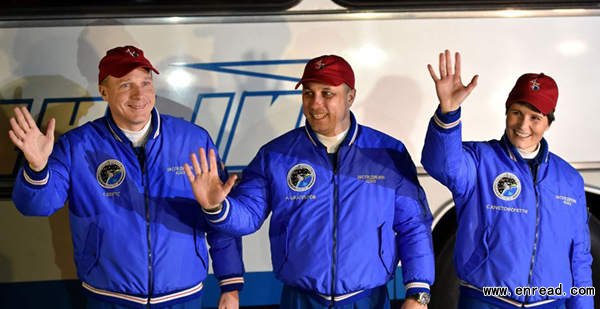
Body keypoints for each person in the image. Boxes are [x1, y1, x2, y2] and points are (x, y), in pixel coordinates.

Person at [184, 55, 435, 308]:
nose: (315, 104)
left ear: (350, 97)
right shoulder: (275, 155)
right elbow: (248, 216)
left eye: (327, 94)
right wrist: (216, 208)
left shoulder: (387, 152)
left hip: (367, 299)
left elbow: (413, 224)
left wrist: (418, 294)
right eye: (308, 93)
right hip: (301, 299)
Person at [9, 45, 244, 309]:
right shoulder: (77, 146)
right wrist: (38, 167)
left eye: (146, 82)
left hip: (183, 298)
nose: (139, 94)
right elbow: (36, 206)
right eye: (125, 85)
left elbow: (219, 215)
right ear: (103, 92)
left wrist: (230, 284)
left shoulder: (193, 140)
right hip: (109, 299)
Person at [421, 50, 593, 308]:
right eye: (516, 112)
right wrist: (448, 112)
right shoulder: (479, 160)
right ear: (506, 112)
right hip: (486, 300)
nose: (523, 125)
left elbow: (579, 255)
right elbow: (441, 164)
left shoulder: (568, 179)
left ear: (548, 123)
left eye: (535, 117)